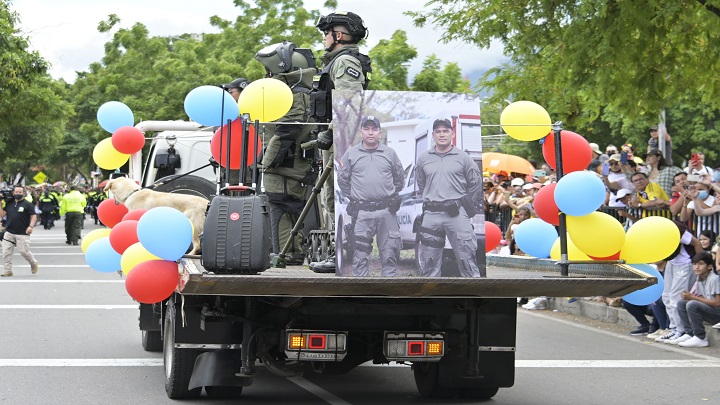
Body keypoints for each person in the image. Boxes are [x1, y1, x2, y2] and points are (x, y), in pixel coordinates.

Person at [310, 11, 371, 272]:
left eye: (327, 33)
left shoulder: (344, 61)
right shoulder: (339, 61)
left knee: (337, 196)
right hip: (340, 138)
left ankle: (343, 256)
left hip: (342, 140)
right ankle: (342, 254)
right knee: (333, 197)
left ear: (339, 35)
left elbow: (349, 101)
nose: (324, 38)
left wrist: (330, 133)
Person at [255, 41, 318, 265]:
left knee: (282, 205)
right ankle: (290, 253)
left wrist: (267, 161)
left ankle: (286, 254)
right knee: (287, 207)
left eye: (271, 71)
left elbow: (288, 129)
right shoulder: (295, 92)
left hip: (286, 164)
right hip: (288, 163)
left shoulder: (294, 94)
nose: (268, 75)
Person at [337, 116, 404, 276]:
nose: (370, 132)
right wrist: (355, 196)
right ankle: (362, 292)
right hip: (362, 213)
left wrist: (388, 195)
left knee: (389, 254)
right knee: (360, 256)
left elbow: (399, 179)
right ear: (361, 132)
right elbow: (343, 181)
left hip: (387, 212)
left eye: (374, 129)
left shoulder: (390, 153)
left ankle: (389, 292)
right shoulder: (351, 154)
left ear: (380, 132)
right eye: (367, 129)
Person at [415, 118, 482, 278]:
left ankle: (474, 299)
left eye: (445, 131)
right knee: (429, 263)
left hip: (457, 214)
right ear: (433, 135)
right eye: (438, 131)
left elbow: (476, 183)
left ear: (452, 134)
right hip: (431, 214)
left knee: (467, 260)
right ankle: (430, 300)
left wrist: (464, 205)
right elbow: (421, 183)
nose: (442, 134)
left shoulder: (463, 158)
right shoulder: (424, 158)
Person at [655, 221, 702, 344]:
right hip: (672, 263)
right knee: (666, 296)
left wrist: (699, 262)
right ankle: (674, 328)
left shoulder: (676, 229)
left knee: (676, 298)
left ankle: (682, 330)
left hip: (685, 264)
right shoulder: (656, 235)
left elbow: (696, 243)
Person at [669, 252, 720, 347]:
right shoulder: (699, 279)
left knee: (692, 304)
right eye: (694, 264)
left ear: (709, 267)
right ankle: (689, 333)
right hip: (711, 311)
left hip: (717, 314)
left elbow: (717, 303)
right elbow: (704, 298)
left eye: (700, 264)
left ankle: (700, 337)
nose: (697, 267)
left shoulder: (714, 279)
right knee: (682, 303)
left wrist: (693, 298)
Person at [0, 185, 40, 277]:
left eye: (20, 192)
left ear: (23, 193)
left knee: (24, 251)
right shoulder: (9, 204)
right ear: (13, 193)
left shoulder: (28, 204)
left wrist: (31, 226)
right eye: (16, 192)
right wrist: (0, 204)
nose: (18, 194)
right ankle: (8, 270)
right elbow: (2, 214)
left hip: (22, 232)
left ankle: (33, 263)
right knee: (6, 252)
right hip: (9, 231)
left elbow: (33, 216)